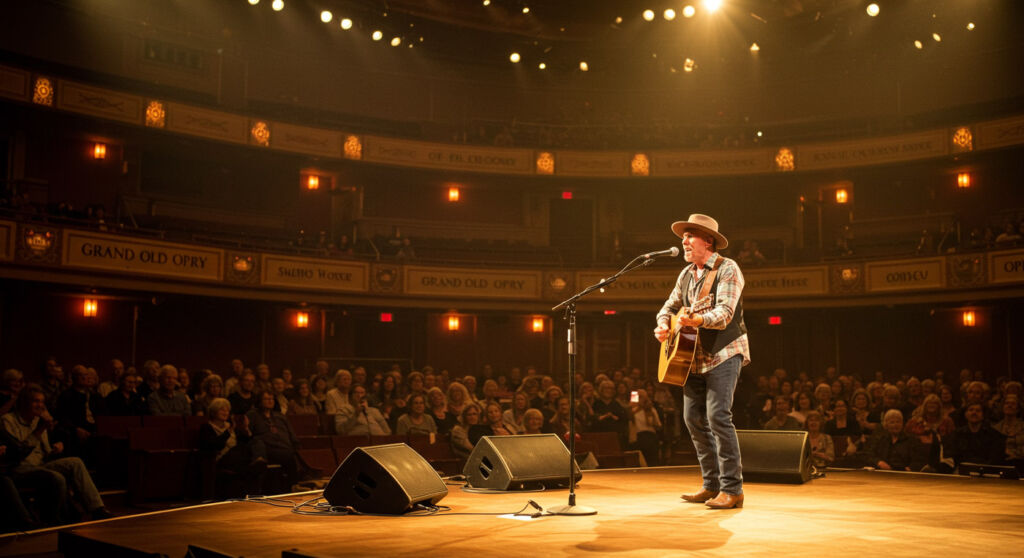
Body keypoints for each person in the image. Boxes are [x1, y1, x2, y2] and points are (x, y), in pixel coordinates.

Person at [655, 214, 749, 509]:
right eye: (682, 237)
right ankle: (711, 485)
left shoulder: (727, 269)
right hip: (692, 356)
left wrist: (698, 318)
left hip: (724, 352)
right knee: (692, 419)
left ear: (708, 241)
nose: (683, 241)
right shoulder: (685, 275)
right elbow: (669, 306)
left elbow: (725, 313)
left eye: (690, 235)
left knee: (718, 416)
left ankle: (733, 489)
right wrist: (662, 325)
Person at [2, 386, 110, 522]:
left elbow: (45, 453)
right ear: (24, 402)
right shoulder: (9, 420)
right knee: (56, 477)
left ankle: (97, 509)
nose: (40, 405)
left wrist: (55, 449)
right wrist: (40, 429)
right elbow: (17, 453)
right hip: (20, 468)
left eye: (42, 402)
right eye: (35, 401)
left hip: (40, 465)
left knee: (75, 462)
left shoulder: (37, 420)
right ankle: (55, 520)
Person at [198, 398, 266, 497]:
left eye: (227, 410)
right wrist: (229, 431)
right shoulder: (206, 427)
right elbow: (216, 445)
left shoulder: (229, 426)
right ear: (214, 412)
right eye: (222, 410)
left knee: (254, 443)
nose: (225, 412)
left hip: (237, 459)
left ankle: (254, 463)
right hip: (220, 459)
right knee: (242, 451)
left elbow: (245, 441)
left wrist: (246, 428)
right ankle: (253, 467)